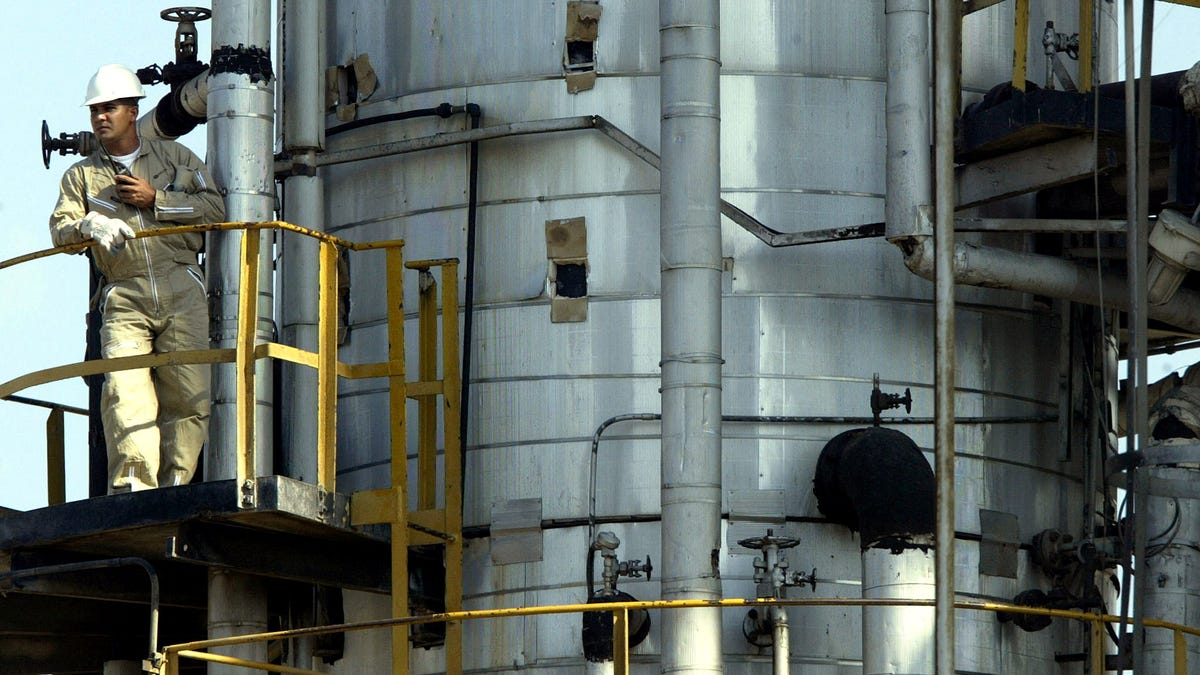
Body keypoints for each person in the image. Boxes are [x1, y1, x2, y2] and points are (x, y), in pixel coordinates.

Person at [48, 64, 225, 493]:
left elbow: (215, 210)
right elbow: (60, 231)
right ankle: (133, 487)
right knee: (125, 394)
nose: (100, 118)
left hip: (182, 285)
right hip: (124, 294)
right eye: (95, 111)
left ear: (132, 110)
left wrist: (157, 200)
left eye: (109, 108)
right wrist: (90, 225)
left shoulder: (175, 158)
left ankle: (175, 486)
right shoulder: (82, 177)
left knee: (190, 396)